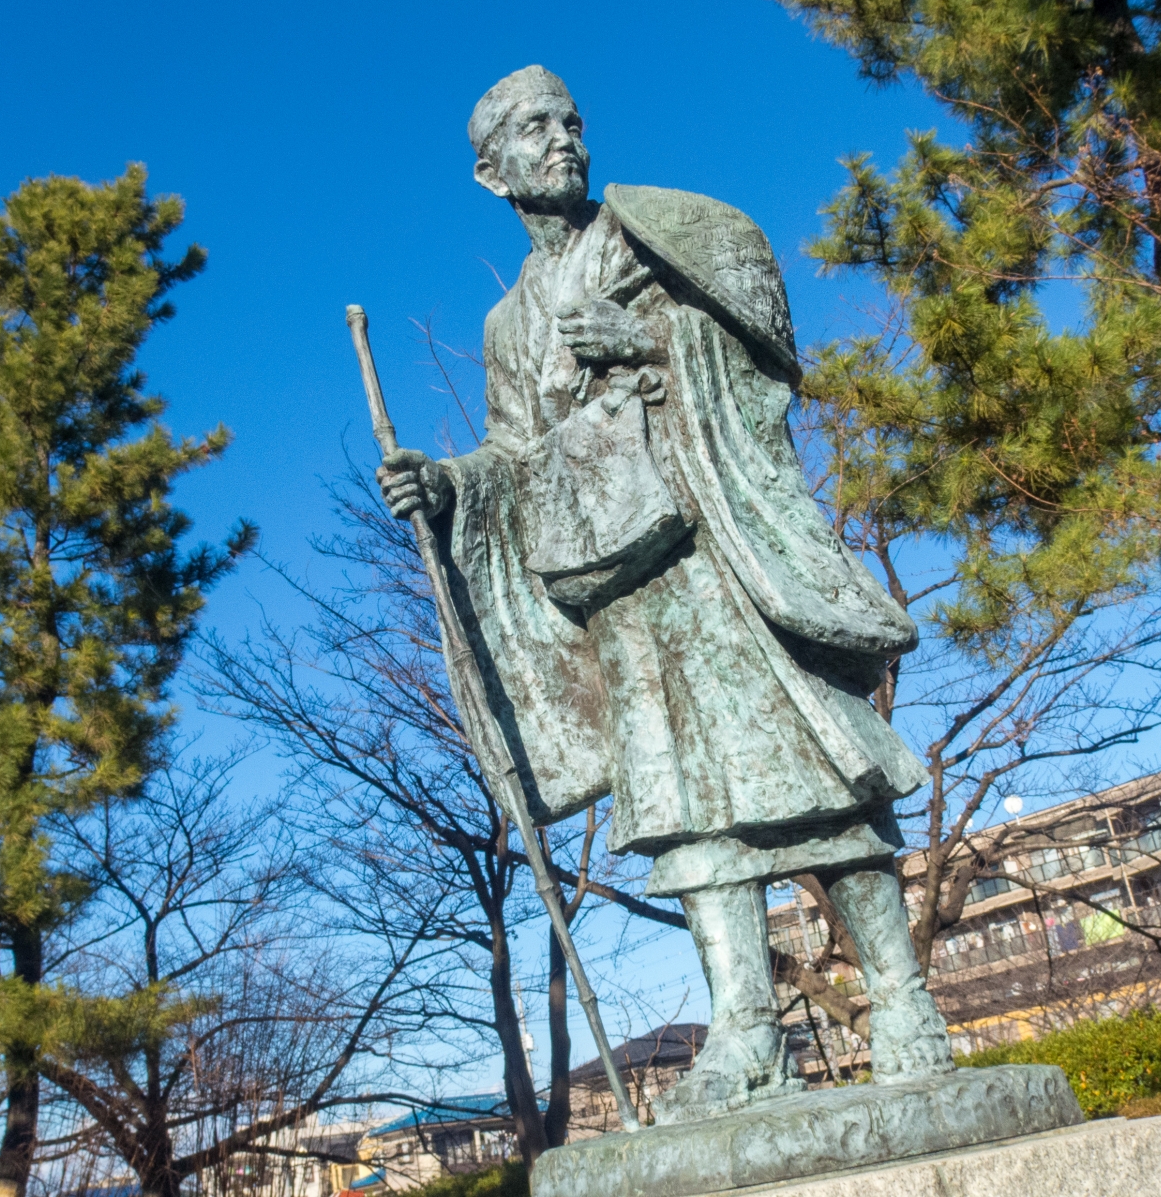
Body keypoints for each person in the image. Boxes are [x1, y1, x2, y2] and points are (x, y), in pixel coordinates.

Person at [378, 65, 954, 1122]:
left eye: (572, 121)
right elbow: (518, 451)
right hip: (622, 581)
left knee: (817, 770)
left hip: (711, 544)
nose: (562, 140)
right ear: (490, 172)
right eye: (534, 129)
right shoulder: (511, 323)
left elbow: (765, 351)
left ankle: (907, 999)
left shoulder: (659, 233)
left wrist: (652, 342)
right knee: (684, 805)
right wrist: (448, 484)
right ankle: (744, 1026)